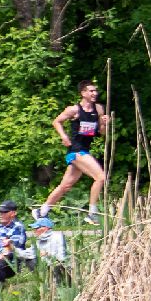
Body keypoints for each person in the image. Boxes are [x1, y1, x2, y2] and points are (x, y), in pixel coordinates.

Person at [36, 80, 109, 224]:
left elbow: (102, 133)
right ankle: (92, 213)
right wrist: (63, 136)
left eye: (95, 91)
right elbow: (56, 121)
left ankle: (41, 211)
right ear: (83, 93)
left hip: (84, 150)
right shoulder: (74, 110)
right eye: (91, 91)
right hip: (76, 151)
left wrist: (105, 124)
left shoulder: (99, 109)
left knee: (65, 186)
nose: (95, 93)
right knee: (100, 177)